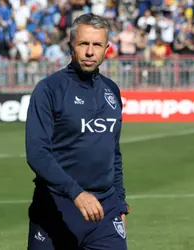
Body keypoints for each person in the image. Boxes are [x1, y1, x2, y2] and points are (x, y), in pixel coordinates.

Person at [25, 13, 130, 250]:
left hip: (105, 211)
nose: (90, 52)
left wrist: (120, 203)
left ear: (107, 49)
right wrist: (77, 193)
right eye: (83, 44)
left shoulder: (111, 91)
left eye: (97, 45)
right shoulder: (49, 90)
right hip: (56, 209)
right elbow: (37, 153)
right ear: (70, 45)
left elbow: (113, 152)